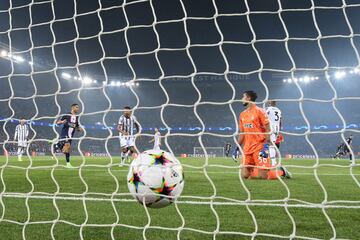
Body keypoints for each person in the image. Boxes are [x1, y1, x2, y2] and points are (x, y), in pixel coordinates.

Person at [238, 91, 291, 179]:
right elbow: (242, 132)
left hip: (259, 146)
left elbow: (268, 128)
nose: (241, 99)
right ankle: (257, 167)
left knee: (264, 176)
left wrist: (265, 145)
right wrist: (237, 147)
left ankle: (282, 172)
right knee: (245, 175)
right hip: (247, 147)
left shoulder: (260, 111)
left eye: (243, 97)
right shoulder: (242, 114)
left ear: (249, 98)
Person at [56, 103, 83, 168]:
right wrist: (62, 122)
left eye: (78, 107)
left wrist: (79, 129)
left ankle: (68, 164)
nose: (78, 109)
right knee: (67, 145)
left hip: (71, 136)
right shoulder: (67, 115)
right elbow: (57, 122)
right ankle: (57, 144)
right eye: (77, 107)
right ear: (72, 108)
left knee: (66, 150)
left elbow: (77, 127)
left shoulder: (77, 117)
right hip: (65, 133)